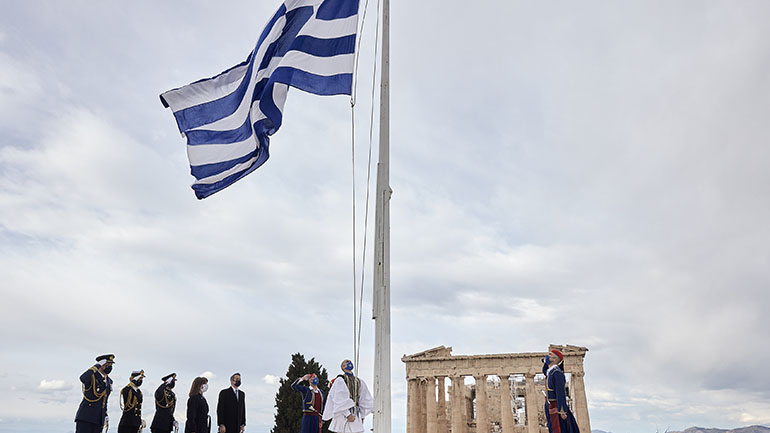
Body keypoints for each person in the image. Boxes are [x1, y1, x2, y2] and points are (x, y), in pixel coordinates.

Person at [322, 360, 373, 433]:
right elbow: (339, 399)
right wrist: (348, 414)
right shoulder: (340, 380)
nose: (349, 362)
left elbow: (364, 399)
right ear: (343, 367)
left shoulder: (359, 381)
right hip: (343, 415)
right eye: (346, 362)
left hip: (355, 414)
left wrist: (362, 416)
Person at [75, 354, 115, 433]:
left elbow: (105, 400)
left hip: (99, 419)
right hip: (86, 417)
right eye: (107, 364)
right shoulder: (92, 376)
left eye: (111, 364)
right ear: (102, 364)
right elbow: (83, 378)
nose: (110, 366)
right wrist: (97, 366)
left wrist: (105, 414)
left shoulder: (109, 381)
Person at [543, 349, 580, 433]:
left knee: (560, 429)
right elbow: (544, 371)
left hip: (557, 407)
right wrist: (545, 362)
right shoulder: (550, 372)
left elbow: (560, 393)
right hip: (551, 405)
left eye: (549, 354)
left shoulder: (557, 373)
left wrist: (562, 411)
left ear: (554, 359)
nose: (547, 356)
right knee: (553, 429)